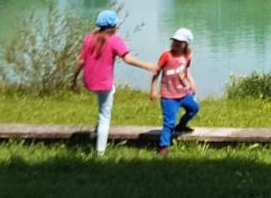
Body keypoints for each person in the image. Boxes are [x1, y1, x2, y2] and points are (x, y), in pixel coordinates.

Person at [72, 9, 156, 156]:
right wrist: (146, 65)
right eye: (117, 25)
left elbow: (81, 61)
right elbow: (128, 59)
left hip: (89, 81)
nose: (118, 28)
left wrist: (74, 78)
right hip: (104, 84)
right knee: (105, 116)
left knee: (103, 104)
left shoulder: (89, 38)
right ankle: (100, 152)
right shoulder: (115, 40)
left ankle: (98, 133)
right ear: (113, 26)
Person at [151, 27, 200, 155]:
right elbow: (156, 72)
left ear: (186, 44)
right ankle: (163, 147)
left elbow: (185, 71)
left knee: (194, 108)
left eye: (180, 42)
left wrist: (191, 83)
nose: (176, 44)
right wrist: (153, 90)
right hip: (169, 96)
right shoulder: (166, 56)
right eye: (174, 41)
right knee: (169, 123)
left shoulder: (187, 56)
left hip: (184, 93)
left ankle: (182, 125)